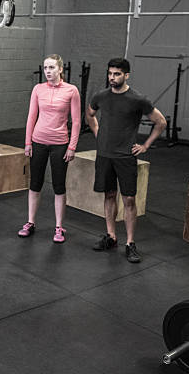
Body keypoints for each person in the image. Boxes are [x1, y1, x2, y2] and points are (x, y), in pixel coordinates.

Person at [86, 58, 166, 263]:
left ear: (126, 75)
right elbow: (90, 113)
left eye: (117, 74)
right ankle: (111, 237)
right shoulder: (101, 96)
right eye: (110, 73)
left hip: (125, 157)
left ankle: (130, 243)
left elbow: (160, 122)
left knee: (129, 199)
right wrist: (98, 132)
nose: (112, 78)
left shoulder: (138, 99)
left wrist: (145, 145)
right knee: (109, 195)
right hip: (104, 155)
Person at [18, 54, 81, 243]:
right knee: (35, 184)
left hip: (60, 144)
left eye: (52, 68)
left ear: (60, 69)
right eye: (45, 68)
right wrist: (28, 142)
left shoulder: (71, 91)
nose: (48, 71)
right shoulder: (38, 89)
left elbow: (77, 121)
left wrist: (72, 146)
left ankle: (59, 227)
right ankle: (30, 222)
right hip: (38, 141)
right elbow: (31, 117)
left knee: (59, 186)